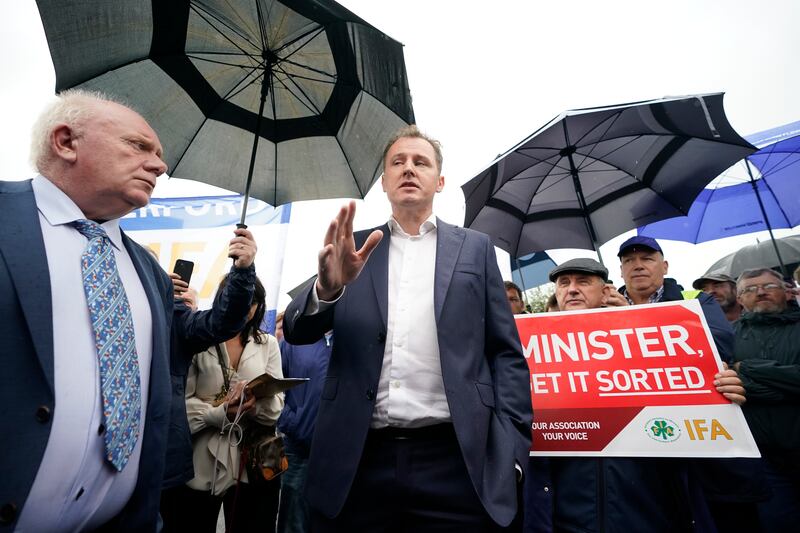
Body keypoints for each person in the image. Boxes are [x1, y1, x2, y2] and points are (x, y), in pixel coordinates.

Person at [0, 89, 255, 531]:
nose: (160, 165)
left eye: (159, 154)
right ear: (65, 141)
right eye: (139, 146)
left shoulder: (148, 271)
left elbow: (209, 327)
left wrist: (243, 272)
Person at [283, 125, 532, 531]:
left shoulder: (475, 249)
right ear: (384, 182)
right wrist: (326, 290)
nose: (409, 169)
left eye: (421, 162)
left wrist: (511, 458)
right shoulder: (353, 248)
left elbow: (505, 355)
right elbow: (297, 331)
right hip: (357, 464)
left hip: (458, 465)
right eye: (398, 162)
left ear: (440, 180)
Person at [547, 258, 745, 533]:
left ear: (605, 291)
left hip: (646, 501)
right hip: (568, 505)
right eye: (563, 283)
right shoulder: (536, 349)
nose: (572, 289)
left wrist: (720, 389)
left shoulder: (652, 341)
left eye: (583, 281)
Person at [617, 236, 767, 532]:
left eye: (646, 259)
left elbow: (717, 344)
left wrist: (635, 321)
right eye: (628, 261)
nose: (637, 266)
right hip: (641, 446)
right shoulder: (604, 309)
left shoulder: (696, 300)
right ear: (620, 271)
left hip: (705, 447)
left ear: (664, 265)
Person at [168, 274, 283, 533]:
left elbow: (277, 405)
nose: (246, 309)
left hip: (255, 460)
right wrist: (217, 413)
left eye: (252, 303)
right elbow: (180, 404)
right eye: (240, 301)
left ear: (259, 306)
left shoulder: (269, 344)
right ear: (224, 299)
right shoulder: (198, 337)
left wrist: (255, 405)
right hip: (202, 460)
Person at [733, 268, 800, 531]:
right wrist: (785, 384)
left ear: (785, 290)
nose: (760, 292)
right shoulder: (729, 335)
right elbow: (726, 383)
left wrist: (748, 369)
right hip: (765, 461)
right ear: (739, 299)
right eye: (750, 289)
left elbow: (740, 377)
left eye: (769, 286)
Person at [277, 329, 334, 533]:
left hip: (341, 456)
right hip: (298, 450)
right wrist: (292, 422)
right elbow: (273, 387)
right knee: (294, 524)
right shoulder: (294, 339)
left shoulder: (355, 337)